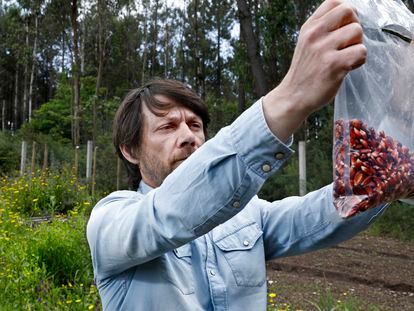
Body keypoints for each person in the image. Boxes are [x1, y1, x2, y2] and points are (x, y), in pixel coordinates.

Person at [86, 0, 387, 310]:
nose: (189, 137)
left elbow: (317, 216)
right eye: (167, 127)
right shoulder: (111, 221)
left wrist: (389, 167)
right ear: (130, 150)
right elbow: (169, 215)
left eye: (195, 125)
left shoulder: (247, 216)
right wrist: (290, 98)